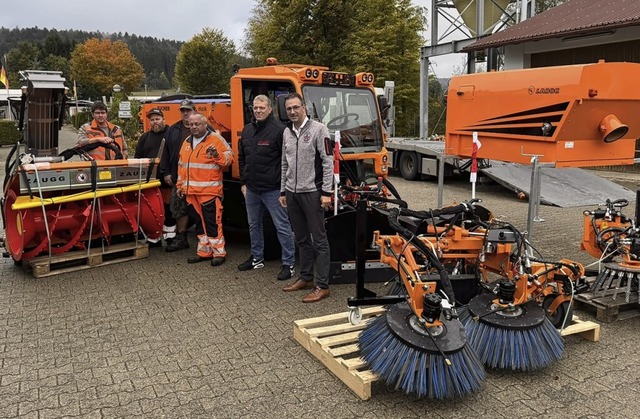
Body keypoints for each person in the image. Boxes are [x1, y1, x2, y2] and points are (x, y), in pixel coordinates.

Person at [278, 92, 333, 303]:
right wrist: (283, 191)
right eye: (289, 108)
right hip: (292, 194)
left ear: (304, 108)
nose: (292, 111)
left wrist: (326, 193)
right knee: (301, 238)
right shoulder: (286, 133)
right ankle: (306, 278)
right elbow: (285, 163)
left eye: (295, 107)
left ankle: (323, 286)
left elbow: (327, 162)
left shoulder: (319, 130)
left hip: (312, 192)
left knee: (319, 240)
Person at [238, 95, 296, 280]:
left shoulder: (280, 130)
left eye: (262, 107)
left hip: (273, 189)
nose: (258, 111)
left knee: (282, 226)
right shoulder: (247, 130)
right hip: (252, 189)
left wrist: (283, 189)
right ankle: (257, 258)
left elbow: (287, 161)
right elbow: (242, 158)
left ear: (270, 109)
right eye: (255, 108)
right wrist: (244, 183)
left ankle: (289, 263)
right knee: (254, 224)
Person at [176, 113, 233, 266]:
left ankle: (219, 253)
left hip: (209, 191)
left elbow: (229, 159)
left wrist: (217, 155)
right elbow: (181, 166)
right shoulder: (187, 142)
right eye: (191, 124)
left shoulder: (216, 139)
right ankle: (204, 252)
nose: (194, 127)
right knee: (199, 224)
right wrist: (179, 185)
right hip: (191, 192)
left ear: (205, 124)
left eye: (197, 124)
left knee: (212, 223)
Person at [134, 107, 173, 247]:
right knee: (151, 210)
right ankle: (153, 238)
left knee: (168, 210)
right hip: (149, 182)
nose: (155, 122)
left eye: (157, 119)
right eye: (152, 120)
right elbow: (138, 157)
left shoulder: (171, 134)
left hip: (166, 180)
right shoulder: (145, 137)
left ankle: (170, 237)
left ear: (163, 119)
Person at [161, 99, 196, 252]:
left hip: (198, 177)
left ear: (194, 110)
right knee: (178, 208)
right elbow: (166, 152)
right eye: (183, 110)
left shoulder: (205, 128)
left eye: (188, 110)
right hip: (179, 176)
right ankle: (181, 238)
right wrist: (166, 172)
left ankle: (206, 239)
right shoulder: (173, 129)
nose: (185, 113)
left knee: (199, 209)